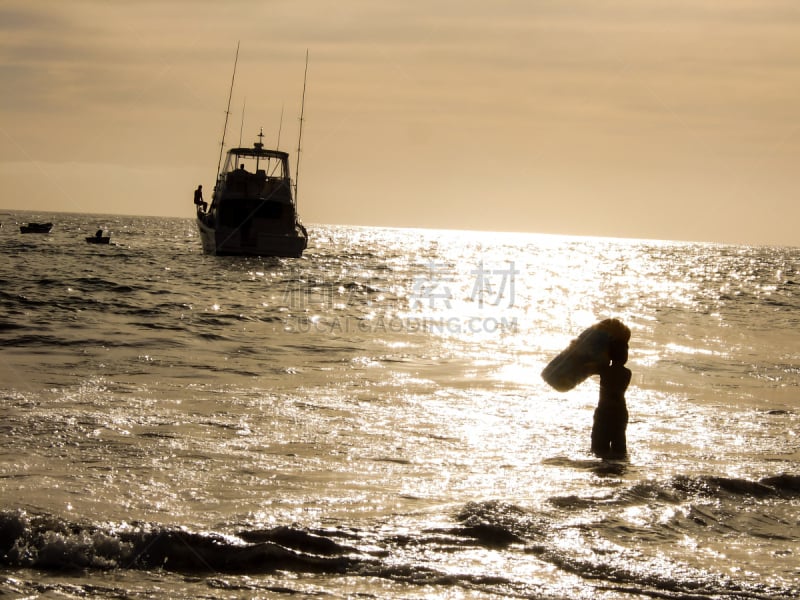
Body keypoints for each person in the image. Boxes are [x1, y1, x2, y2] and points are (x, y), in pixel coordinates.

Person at [591, 333, 632, 458]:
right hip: (619, 413)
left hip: (604, 412)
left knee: (599, 447)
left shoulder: (604, 370)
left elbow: (590, 367)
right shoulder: (627, 373)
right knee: (619, 447)